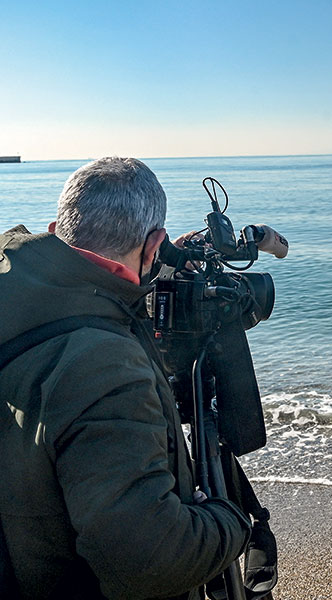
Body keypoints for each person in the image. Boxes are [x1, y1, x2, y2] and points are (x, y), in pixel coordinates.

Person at [0, 158, 251, 599]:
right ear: (155, 245)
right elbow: (151, 561)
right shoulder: (103, 368)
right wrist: (232, 519)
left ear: (57, 228)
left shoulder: (15, 291)